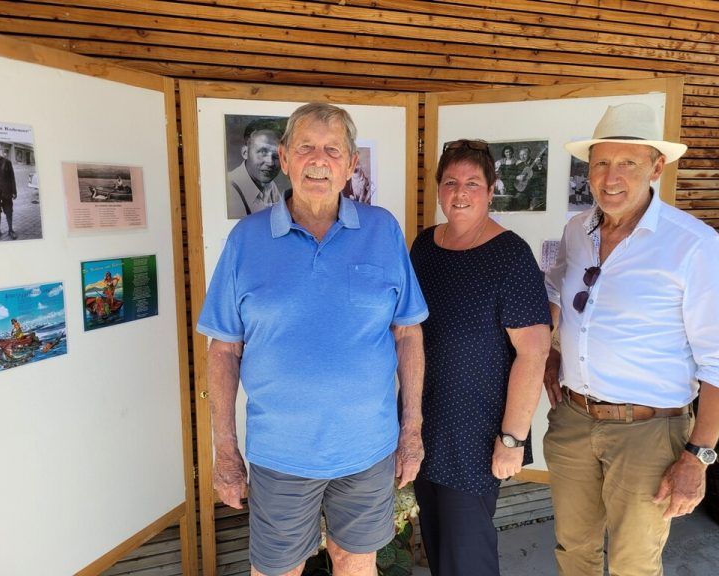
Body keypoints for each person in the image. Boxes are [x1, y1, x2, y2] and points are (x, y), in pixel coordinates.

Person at [198, 103, 428, 576]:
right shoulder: (246, 239)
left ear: (350, 164)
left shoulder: (382, 230)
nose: (318, 160)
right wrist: (224, 449)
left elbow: (408, 334)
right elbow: (223, 350)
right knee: (279, 569)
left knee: (355, 561)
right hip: (281, 454)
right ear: (284, 158)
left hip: (367, 451)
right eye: (305, 148)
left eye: (332, 150)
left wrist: (411, 430)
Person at [543, 102, 719, 576]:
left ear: (656, 168)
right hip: (575, 421)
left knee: (633, 565)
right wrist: (546, 355)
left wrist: (698, 457)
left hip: (650, 434)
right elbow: (557, 290)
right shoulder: (578, 230)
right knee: (572, 551)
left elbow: (717, 362)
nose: (610, 176)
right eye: (601, 162)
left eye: (628, 163)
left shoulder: (694, 245)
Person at [410, 139, 551, 576]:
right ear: (438, 189)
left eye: (473, 182)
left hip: (477, 433)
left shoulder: (510, 255)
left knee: (467, 555)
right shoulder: (424, 247)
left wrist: (512, 439)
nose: (460, 192)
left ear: (491, 190)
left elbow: (535, 350)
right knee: (436, 543)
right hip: (424, 422)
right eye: (450, 181)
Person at [226, 119, 284, 218]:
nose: (270, 162)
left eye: (277, 155)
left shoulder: (270, 186)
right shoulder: (229, 190)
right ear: (245, 153)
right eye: (263, 152)